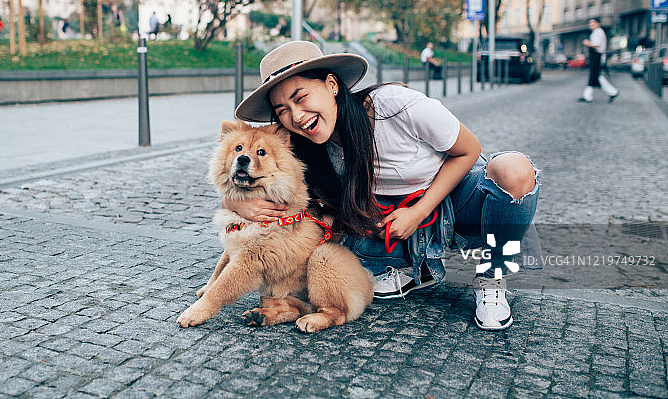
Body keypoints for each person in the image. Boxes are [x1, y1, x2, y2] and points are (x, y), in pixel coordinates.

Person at [231, 40, 542, 331]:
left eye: (301, 98)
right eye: (283, 110)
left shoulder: (394, 105)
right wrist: (235, 204)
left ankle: (492, 274)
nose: (296, 116)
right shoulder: (303, 145)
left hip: (454, 198)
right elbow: (260, 174)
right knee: (330, 228)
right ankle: (409, 269)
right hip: (385, 222)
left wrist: (418, 212)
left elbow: (469, 149)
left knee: (514, 170)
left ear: (331, 85)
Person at [579, 18, 619, 103]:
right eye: (590, 24)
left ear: (598, 24)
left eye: (593, 23)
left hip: (597, 56)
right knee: (595, 76)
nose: (591, 25)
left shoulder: (598, 32)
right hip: (596, 56)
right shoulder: (597, 32)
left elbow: (596, 45)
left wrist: (587, 43)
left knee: (595, 76)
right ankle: (588, 96)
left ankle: (612, 92)